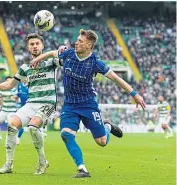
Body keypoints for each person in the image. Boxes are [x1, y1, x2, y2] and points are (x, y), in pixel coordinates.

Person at [30, 29, 146, 178]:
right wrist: (37, 59)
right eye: (77, 40)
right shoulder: (69, 54)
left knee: (102, 142)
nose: (76, 43)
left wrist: (134, 94)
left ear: (89, 45)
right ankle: (82, 168)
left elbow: (116, 78)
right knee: (66, 134)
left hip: (88, 105)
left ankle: (107, 127)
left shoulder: (95, 63)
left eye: (80, 41)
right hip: (70, 105)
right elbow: (53, 53)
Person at [0, 33, 62, 174]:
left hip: (48, 104)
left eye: (37, 43)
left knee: (33, 128)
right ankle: (8, 165)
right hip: (31, 104)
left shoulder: (51, 62)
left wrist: (54, 52)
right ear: (28, 48)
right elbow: (10, 85)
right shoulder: (25, 67)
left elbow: (61, 57)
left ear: (42, 45)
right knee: (12, 124)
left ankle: (42, 163)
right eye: (32, 44)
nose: (35, 46)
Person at [15, 78, 29, 145]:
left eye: (25, 77)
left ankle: (42, 133)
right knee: (20, 122)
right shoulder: (19, 85)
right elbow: (17, 94)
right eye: (23, 78)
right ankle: (18, 139)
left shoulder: (30, 85)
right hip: (21, 107)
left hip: (30, 106)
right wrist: (15, 97)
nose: (24, 79)